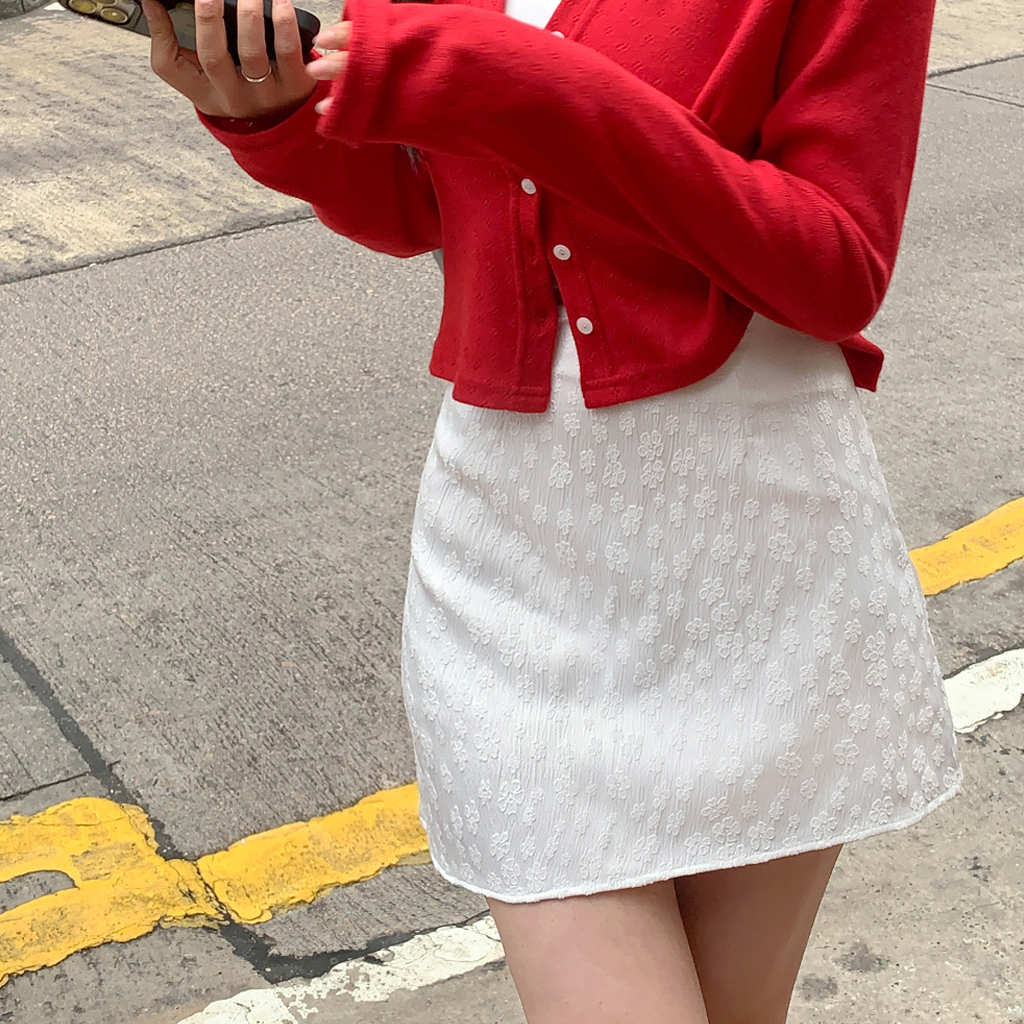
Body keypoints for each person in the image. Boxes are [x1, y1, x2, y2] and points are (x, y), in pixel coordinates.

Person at [144, 0, 963, 1018]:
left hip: (759, 571)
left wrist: (516, 81)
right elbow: (423, 205)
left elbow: (836, 266)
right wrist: (271, 119)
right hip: (514, 566)